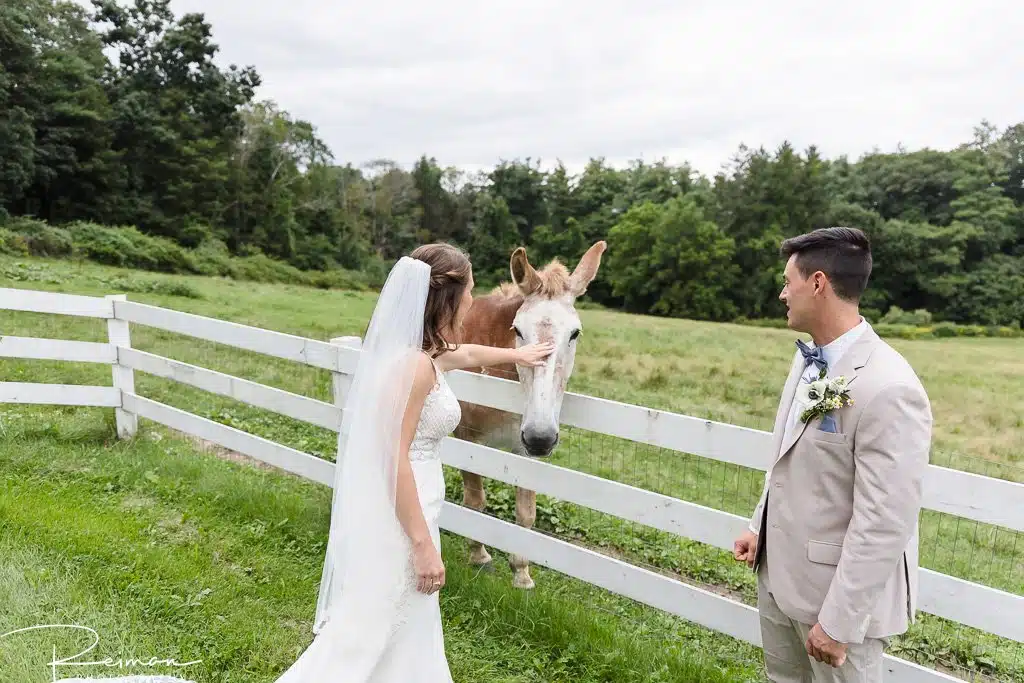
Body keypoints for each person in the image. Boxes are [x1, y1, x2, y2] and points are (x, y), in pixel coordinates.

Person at [273, 243, 554, 682]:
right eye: (469, 292)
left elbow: (469, 354)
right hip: (406, 514)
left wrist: (520, 355)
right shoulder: (418, 368)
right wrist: (423, 545)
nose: (472, 302)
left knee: (406, 623)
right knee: (379, 622)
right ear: (447, 297)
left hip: (417, 506)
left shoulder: (422, 353)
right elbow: (393, 458)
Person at [732, 227, 932, 682]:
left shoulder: (890, 387)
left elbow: (885, 520)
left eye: (788, 282)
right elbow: (789, 458)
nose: (783, 293)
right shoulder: (807, 360)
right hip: (779, 578)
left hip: (837, 606)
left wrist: (838, 623)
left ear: (818, 283)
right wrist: (757, 525)